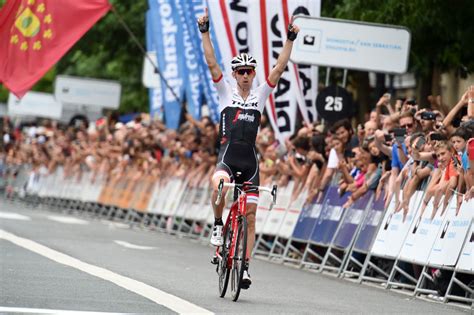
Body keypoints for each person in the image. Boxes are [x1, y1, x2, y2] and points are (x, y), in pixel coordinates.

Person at [197, 8, 299, 288]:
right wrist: (204, 32)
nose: (245, 75)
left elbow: (278, 68)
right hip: (228, 157)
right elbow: (211, 62)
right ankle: (219, 225)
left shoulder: (260, 94)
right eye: (240, 71)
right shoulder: (225, 91)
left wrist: (290, 39)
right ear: (235, 74)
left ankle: (244, 268)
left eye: (249, 71)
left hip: (250, 161)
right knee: (218, 183)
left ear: (253, 74)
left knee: (251, 217)